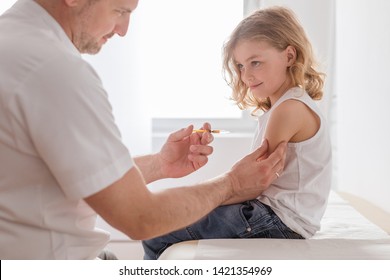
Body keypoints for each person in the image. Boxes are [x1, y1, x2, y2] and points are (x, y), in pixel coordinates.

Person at [0, 0, 287, 260]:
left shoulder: (12, 41)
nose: (123, 30)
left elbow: (59, 177)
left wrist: (159, 165)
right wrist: (232, 184)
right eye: (121, 11)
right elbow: (140, 218)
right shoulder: (55, 70)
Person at [142, 6, 332, 260]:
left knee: (155, 230)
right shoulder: (288, 104)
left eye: (255, 62)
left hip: (276, 220)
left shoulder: (288, 110)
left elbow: (253, 182)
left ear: (289, 55)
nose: (246, 75)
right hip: (284, 218)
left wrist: (197, 202)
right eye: (241, 65)